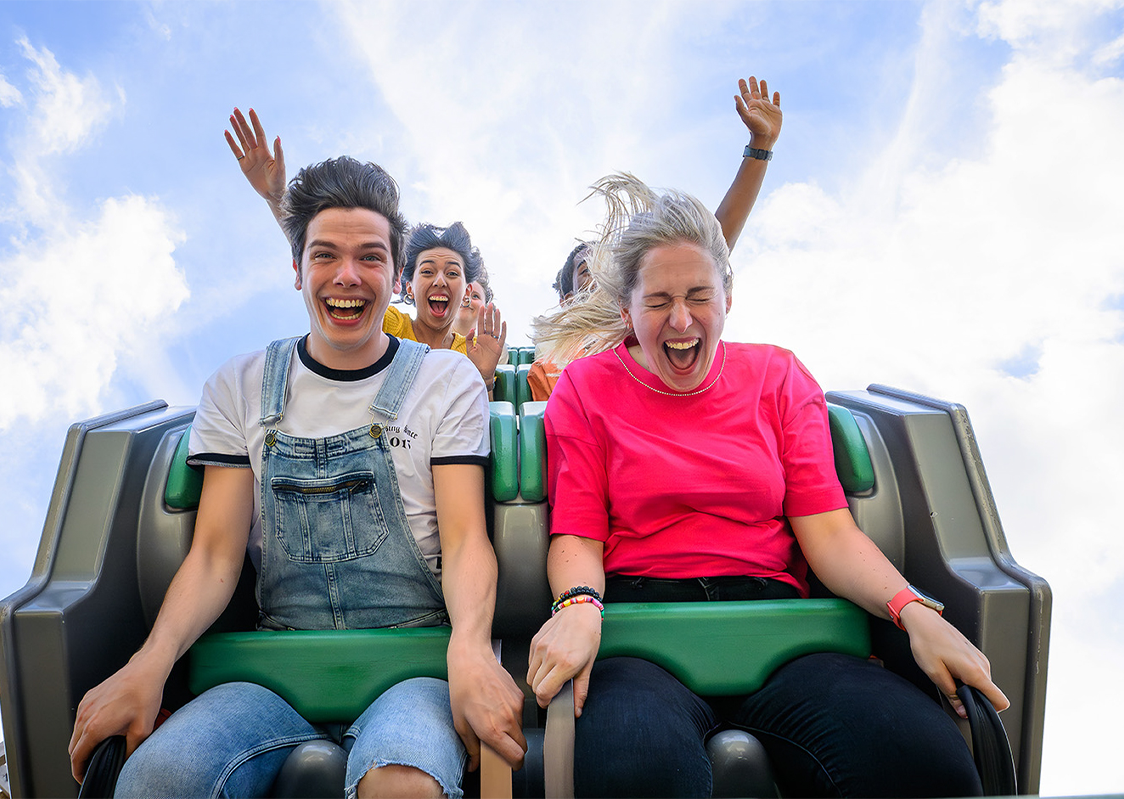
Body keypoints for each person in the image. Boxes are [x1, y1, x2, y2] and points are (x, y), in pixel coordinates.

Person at [525, 173, 1009, 799]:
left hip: (781, 631)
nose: (680, 320)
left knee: (920, 764)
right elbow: (578, 533)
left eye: (699, 295)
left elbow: (830, 532)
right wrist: (578, 608)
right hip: (643, 633)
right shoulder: (586, 387)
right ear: (626, 311)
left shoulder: (777, 376)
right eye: (658, 301)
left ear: (728, 296)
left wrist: (914, 611)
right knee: (634, 772)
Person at [69, 156, 525, 799]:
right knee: (159, 778)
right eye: (325, 256)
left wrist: (472, 648)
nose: (347, 277)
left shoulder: (445, 381)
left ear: (394, 276)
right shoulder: (240, 386)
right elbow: (214, 554)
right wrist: (149, 662)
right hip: (275, 665)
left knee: (404, 783)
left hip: (412, 659)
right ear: (297, 268)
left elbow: (464, 539)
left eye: (370, 257)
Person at [527, 76, 783, 402]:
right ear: (567, 297)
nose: (599, 275)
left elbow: (714, 243)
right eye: (586, 271)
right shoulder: (555, 362)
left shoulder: (646, 322)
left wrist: (759, 149)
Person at [226, 110, 507, 389]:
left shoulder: (469, 351)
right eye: (428, 271)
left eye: (452, 273)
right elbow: (323, 252)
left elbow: (483, 427)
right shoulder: (391, 324)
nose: (440, 281)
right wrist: (277, 199)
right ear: (406, 285)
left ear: (467, 290)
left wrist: (483, 376)